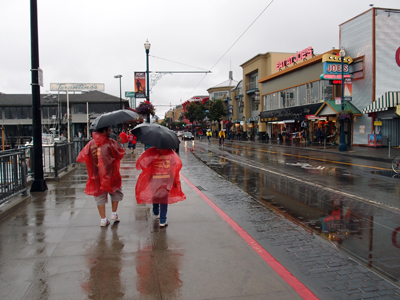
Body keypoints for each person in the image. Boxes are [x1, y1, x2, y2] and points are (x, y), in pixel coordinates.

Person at [76, 126, 125, 227]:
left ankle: (103, 219)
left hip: (96, 175)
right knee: (115, 192)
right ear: (104, 131)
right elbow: (119, 154)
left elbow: (83, 156)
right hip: (111, 174)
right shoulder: (111, 142)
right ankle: (114, 214)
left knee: (99, 196)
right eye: (109, 130)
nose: (110, 132)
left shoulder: (90, 144)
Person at [135, 147, 186, 227]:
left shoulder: (151, 152)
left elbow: (144, 163)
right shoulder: (171, 153)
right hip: (166, 179)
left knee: (155, 195)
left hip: (154, 178)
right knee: (163, 199)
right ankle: (162, 220)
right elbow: (176, 165)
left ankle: (156, 212)